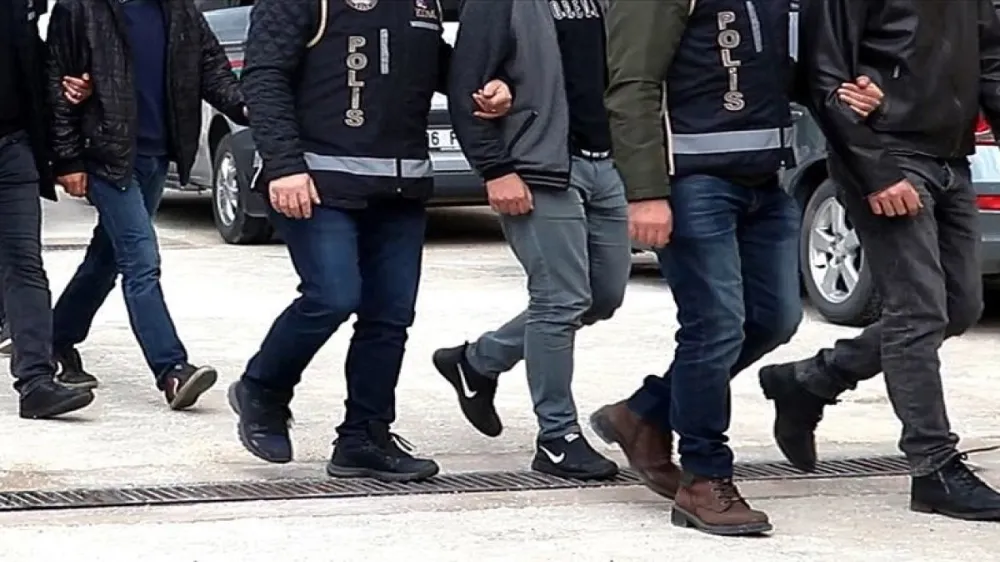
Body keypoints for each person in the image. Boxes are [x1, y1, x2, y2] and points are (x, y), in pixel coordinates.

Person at [586, 0, 885, 536]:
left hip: (763, 181)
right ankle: (704, 479)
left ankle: (644, 411)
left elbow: (774, 70)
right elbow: (632, 86)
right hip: (692, 182)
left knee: (773, 320)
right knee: (716, 326)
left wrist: (847, 90)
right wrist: (646, 192)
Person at [230, 0, 511, 483]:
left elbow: (437, 63)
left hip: (400, 185)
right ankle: (263, 389)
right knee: (332, 295)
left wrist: (488, 87)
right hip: (316, 180)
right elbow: (264, 78)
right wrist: (284, 165)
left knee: (389, 316)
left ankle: (363, 438)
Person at [758, 0, 1000, 522]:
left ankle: (812, 380)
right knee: (918, 312)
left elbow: (990, 61)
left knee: (959, 307)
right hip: (888, 155)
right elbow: (824, 74)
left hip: (951, 156)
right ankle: (933, 466)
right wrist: (875, 171)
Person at [435, 0, 629, 481]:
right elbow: (466, 85)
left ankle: (479, 361)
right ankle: (557, 438)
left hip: (607, 165)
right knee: (559, 300)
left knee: (602, 296)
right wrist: (495, 169)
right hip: (539, 167)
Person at [45, 0, 248, 407]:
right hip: (105, 155)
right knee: (141, 259)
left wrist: (248, 109)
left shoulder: (179, 9)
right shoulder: (80, 8)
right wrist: (67, 160)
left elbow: (212, 69)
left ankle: (54, 339)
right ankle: (172, 369)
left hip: (156, 155)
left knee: (106, 259)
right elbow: (57, 85)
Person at [2, 0, 94, 417]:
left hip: (12, 148)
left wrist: (67, 85)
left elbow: (32, 54)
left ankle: (37, 382)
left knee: (25, 263)